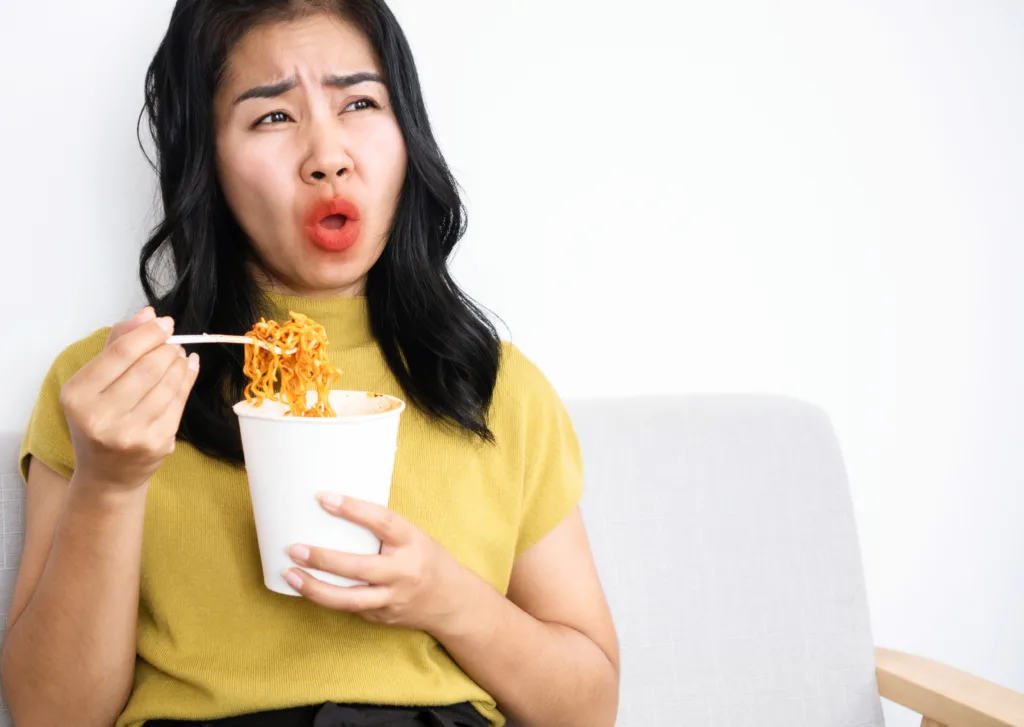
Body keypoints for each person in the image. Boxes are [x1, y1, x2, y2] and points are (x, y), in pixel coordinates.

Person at [0, 2, 619, 727]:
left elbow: (588, 709)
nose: (327, 154)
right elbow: (51, 716)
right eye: (272, 117)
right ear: (208, 160)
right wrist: (108, 482)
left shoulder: (492, 382)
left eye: (359, 102)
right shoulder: (108, 388)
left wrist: (447, 598)